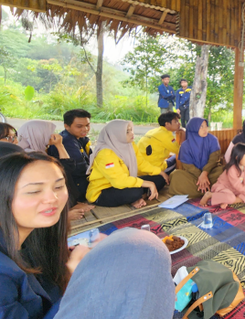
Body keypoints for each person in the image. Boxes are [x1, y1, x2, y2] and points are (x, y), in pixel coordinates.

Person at [0, 152, 174, 319]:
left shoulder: (34, 240)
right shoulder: (3, 277)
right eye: (34, 191)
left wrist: (70, 272)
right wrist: (79, 280)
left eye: (59, 186)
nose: (52, 198)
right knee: (142, 247)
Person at [17, 120, 92, 220]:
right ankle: (62, 214)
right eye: (48, 133)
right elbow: (67, 169)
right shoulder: (29, 157)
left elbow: (68, 166)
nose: (53, 136)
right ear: (38, 135)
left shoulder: (38, 150)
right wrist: (59, 145)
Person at [86, 120, 168, 209]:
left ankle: (138, 198)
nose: (132, 133)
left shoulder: (129, 144)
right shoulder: (105, 153)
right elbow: (119, 181)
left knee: (159, 179)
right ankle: (137, 198)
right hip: (103, 191)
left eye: (131, 130)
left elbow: (141, 163)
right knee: (136, 191)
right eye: (127, 132)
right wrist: (149, 184)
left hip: (123, 184)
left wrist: (160, 172)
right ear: (115, 134)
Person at [169, 118, 225, 198]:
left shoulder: (213, 140)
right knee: (175, 175)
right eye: (201, 126)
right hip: (194, 175)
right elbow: (188, 166)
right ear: (193, 128)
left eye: (206, 126)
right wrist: (201, 177)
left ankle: (200, 190)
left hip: (211, 172)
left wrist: (205, 173)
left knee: (224, 171)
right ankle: (210, 189)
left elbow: (214, 160)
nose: (205, 129)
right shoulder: (185, 145)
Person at [47, 109, 93, 205]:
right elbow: (81, 169)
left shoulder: (80, 138)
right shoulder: (67, 142)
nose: (85, 129)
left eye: (87, 125)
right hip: (75, 188)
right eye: (79, 126)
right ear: (66, 126)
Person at [200, 143, 245, 208]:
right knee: (232, 197)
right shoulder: (232, 169)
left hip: (234, 190)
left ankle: (224, 201)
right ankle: (209, 195)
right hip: (223, 188)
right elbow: (237, 185)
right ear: (237, 157)